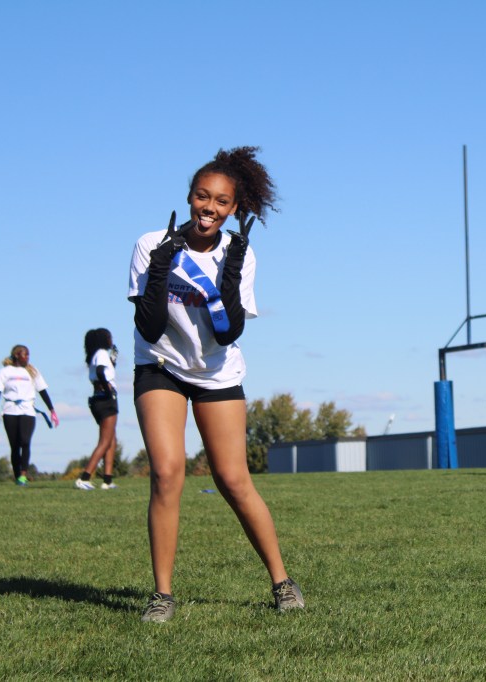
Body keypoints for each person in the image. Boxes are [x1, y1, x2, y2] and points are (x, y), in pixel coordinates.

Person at [128, 146, 303, 622]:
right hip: (160, 365)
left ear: (234, 209)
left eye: (221, 201)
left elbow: (228, 332)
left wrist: (229, 273)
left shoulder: (240, 254)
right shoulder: (150, 243)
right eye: (202, 197)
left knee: (232, 479)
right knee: (166, 473)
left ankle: (282, 581)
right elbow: (148, 327)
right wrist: (163, 265)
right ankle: (162, 595)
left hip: (217, 371)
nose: (209, 207)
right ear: (189, 197)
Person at [0, 345, 59, 485]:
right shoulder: (4, 372)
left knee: (25, 441)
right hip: (10, 410)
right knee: (15, 446)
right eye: (25, 355)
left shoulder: (32, 372)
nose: (27, 357)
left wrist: (52, 410)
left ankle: (23, 474)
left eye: (28, 355)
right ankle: (17, 476)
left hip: (27, 410)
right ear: (16, 355)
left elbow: (43, 391)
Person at [75, 328, 119, 491]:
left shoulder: (95, 355)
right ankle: (84, 477)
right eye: (109, 337)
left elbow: (104, 370)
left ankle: (107, 480)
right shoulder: (101, 353)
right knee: (105, 441)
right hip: (106, 397)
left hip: (97, 397)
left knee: (111, 438)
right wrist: (108, 391)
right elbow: (101, 371)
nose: (111, 339)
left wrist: (113, 361)